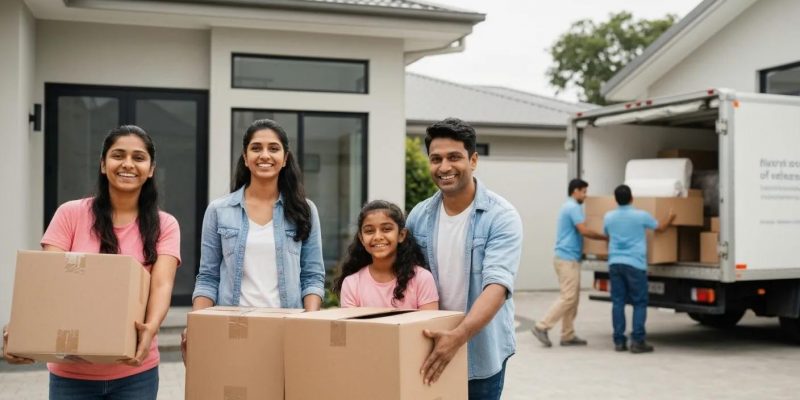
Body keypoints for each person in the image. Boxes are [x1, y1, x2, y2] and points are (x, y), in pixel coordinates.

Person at [3, 125, 181, 400]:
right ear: (103, 164)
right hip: (71, 375)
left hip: (135, 372)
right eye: (118, 155)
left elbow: (162, 285)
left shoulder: (165, 225)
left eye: (138, 157)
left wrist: (151, 328)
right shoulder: (70, 214)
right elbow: (48, 281)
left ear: (151, 169)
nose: (127, 164)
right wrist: (23, 328)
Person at [186, 119, 325, 355]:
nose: (265, 155)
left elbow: (313, 276)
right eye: (256, 148)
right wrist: (198, 326)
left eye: (273, 148)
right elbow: (208, 278)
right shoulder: (219, 210)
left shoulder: (305, 210)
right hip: (232, 328)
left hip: (287, 328)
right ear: (245, 156)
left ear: (285, 158)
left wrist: (308, 323)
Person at [407, 118, 522, 400]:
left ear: (473, 160)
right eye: (436, 159)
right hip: (427, 349)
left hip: (481, 351)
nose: (444, 167)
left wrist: (458, 337)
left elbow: (497, 287)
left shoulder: (501, 216)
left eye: (454, 157)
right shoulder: (419, 216)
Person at [532, 178, 607, 347]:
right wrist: (605, 237)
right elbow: (584, 230)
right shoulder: (573, 207)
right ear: (575, 191)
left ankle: (568, 335)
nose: (585, 195)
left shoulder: (571, 206)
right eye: (584, 191)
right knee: (568, 297)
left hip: (569, 258)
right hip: (567, 259)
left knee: (573, 298)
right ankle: (542, 326)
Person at [604, 184, 674, 354]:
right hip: (635, 264)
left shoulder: (609, 217)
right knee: (639, 303)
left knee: (618, 302)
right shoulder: (641, 216)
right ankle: (638, 341)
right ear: (631, 198)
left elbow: (606, 235)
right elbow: (660, 227)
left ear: (616, 199)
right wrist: (671, 217)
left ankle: (619, 341)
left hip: (615, 263)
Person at [335, 200, 438, 310]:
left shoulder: (422, 279)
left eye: (386, 229)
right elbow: (351, 327)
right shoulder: (351, 284)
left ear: (401, 235)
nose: (378, 236)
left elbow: (429, 326)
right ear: (361, 239)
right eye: (369, 231)